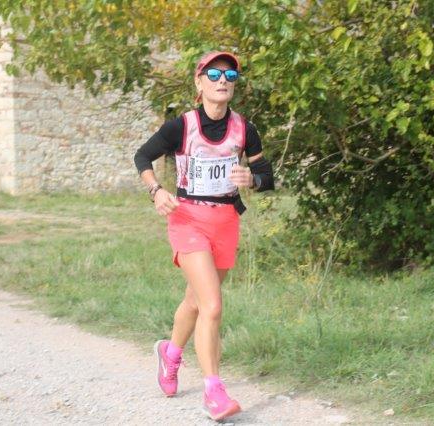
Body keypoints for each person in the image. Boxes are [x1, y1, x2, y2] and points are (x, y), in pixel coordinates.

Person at [133, 51, 274, 422]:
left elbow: (267, 176)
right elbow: (142, 157)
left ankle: (170, 354)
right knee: (212, 305)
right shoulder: (181, 126)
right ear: (199, 82)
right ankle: (214, 391)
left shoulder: (245, 129)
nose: (222, 80)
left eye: (230, 75)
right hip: (188, 220)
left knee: (195, 301)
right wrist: (156, 191)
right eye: (214, 74)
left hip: (226, 222)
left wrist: (252, 179)